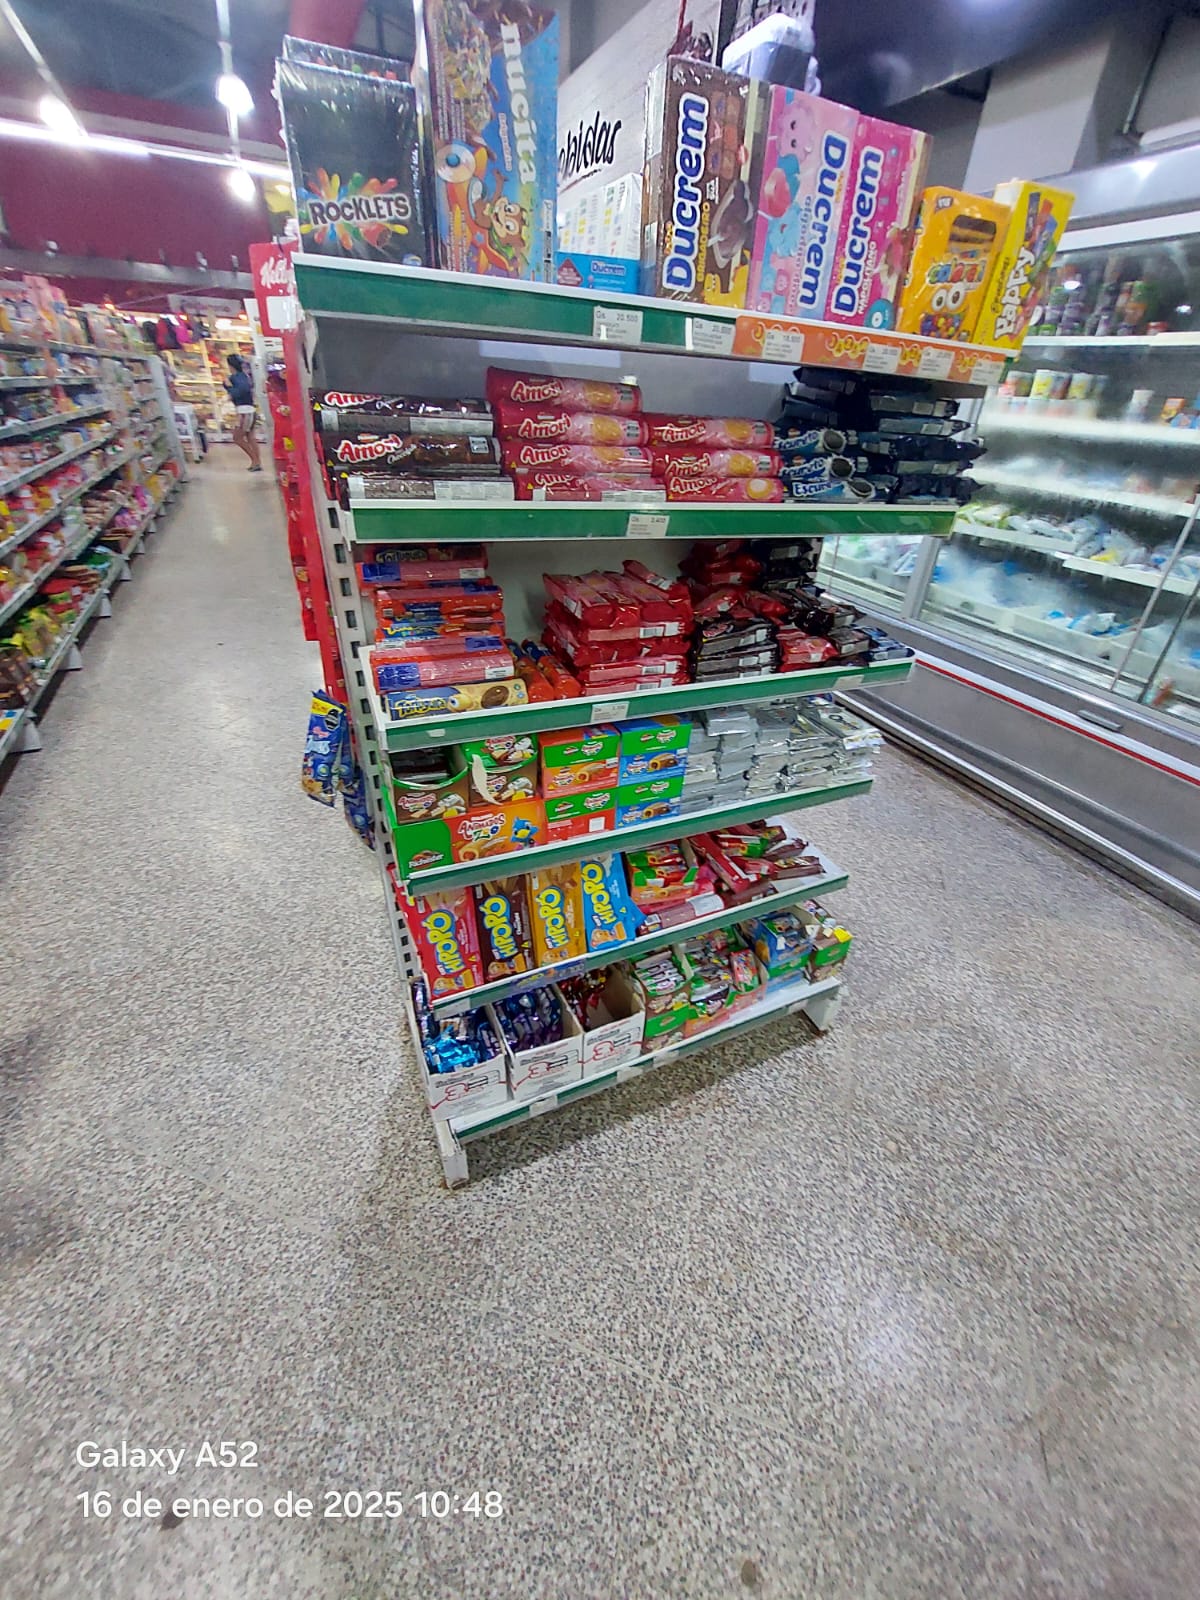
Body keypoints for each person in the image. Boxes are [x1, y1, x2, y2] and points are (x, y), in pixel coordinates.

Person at [224, 353, 262, 471]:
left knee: (237, 437)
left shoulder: (236, 377)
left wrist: (229, 388)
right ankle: (257, 462)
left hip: (244, 411)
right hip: (250, 409)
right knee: (250, 437)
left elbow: (241, 390)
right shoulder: (245, 376)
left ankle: (255, 460)